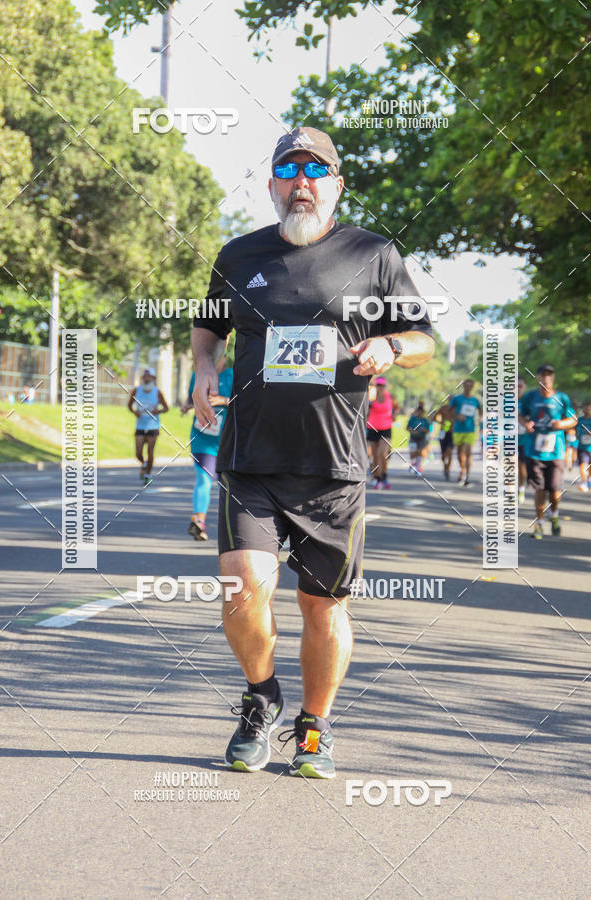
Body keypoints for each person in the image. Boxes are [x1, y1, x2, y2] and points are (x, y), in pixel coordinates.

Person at [191, 126, 434, 779]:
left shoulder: (374, 254)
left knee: (323, 607)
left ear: (336, 184)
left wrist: (392, 348)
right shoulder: (238, 255)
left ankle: (314, 727)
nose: (302, 180)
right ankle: (260, 695)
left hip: (335, 467)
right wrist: (203, 369)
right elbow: (208, 326)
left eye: (315, 170)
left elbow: (421, 336)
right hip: (252, 457)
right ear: (272, 184)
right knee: (243, 591)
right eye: (288, 168)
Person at [519, 363, 577, 538]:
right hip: (534, 451)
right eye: (543, 375)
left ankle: (554, 515)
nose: (546, 378)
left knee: (554, 489)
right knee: (539, 488)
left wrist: (561, 424)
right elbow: (519, 413)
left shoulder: (561, 398)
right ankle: (538, 524)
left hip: (556, 451)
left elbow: (573, 419)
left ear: (553, 378)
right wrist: (525, 423)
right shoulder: (530, 397)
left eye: (549, 375)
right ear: (537, 378)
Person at [182, 349, 233, 540]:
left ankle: (231, 527)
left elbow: (245, 401)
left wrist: (223, 400)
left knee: (227, 486)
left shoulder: (232, 376)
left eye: (218, 358)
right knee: (203, 479)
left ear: (225, 359)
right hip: (202, 438)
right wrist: (187, 405)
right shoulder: (198, 376)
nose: (214, 362)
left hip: (227, 440)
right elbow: (191, 397)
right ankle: (198, 523)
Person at [127, 367, 168, 485]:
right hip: (140, 425)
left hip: (153, 426)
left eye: (149, 377)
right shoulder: (137, 391)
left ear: (153, 378)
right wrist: (134, 412)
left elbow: (166, 408)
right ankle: (144, 463)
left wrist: (158, 411)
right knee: (138, 452)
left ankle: (148, 474)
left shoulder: (157, 392)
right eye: (145, 377)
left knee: (150, 451)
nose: (146, 379)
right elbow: (130, 405)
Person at [450, 379, 481, 486]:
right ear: (463, 386)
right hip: (458, 429)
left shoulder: (475, 400)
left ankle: (467, 475)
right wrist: (457, 416)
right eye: (466, 386)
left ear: (472, 387)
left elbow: (480, 411)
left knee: (468, 452)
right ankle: (462, 469)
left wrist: (480, 420)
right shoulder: (457, 399)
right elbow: (449, 411)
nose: (468, 388)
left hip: (470, 429)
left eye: (470, 386)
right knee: (460, 454)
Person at [366, 376, 394, 489]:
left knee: (382, 453)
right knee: (374, 455)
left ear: (385, 386)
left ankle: (384, 475)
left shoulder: (390, 397)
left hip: (386, 428)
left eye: (382, 385)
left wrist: (394, 415)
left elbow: (395, 409)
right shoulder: (371, 398)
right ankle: (377, 478)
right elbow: (365, 411)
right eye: (378, 385)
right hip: (372, 428)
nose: (380, 387)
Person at [406, 403, 431, 476]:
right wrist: (413, 431)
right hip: (413, 438)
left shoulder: (425, 420)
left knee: (420, 452)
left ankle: (418, 468)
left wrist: (424, 430)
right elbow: (407, 427)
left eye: (421, 411)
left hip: (421, 438)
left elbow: (428, 430)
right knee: (413, 453)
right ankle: (413, 463)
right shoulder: (413, 419)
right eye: (419, 411)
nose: (420, 413)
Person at [433, 400, 454, 481]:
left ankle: (448, 469)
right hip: (442, 432)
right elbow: (434, 417)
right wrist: (441, 422)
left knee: (450, 452)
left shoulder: (455, 409)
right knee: (443, 454)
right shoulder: (443, 408)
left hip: (452, 433)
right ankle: (445, 466)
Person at [517, 376, 528, 504]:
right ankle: (510, 492)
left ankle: (521, 488)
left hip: (525, 440)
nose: (517, 388)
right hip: (509, 438)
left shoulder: (528, 401)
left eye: (520, 386)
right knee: (510, 464)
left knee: (521, 467)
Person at [576, 401, 591, 492]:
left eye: (589, 409)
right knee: (583, 464)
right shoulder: (580, 420)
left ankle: (588, 479)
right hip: (582, 447)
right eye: (585, 408)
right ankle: (584, 482)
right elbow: (574, 429)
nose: (587, 410)